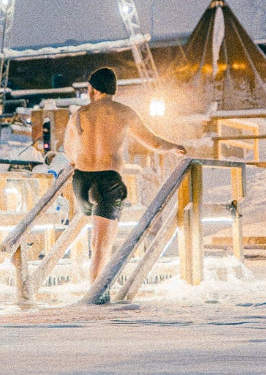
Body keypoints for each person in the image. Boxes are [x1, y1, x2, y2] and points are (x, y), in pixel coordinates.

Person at [63, 67, 186, 283]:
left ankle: (92, 285)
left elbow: (69, 152)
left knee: (94, 238)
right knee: (101, 245)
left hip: (81, 182)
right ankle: (97, 292)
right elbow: (154, 142)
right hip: (107, 180)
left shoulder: (79, 114)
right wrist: (174, 147)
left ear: (92, 89)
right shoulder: (123, 112)